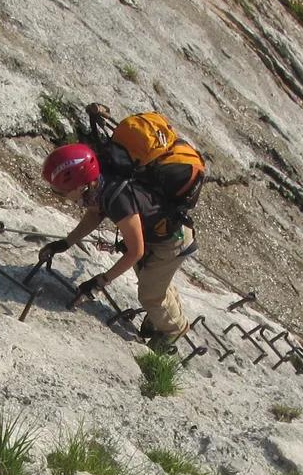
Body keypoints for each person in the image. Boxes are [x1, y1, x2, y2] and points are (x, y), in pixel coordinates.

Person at [36, 107, 205, 354]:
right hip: (157, 234)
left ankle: (173, 329)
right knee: (152, 279)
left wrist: (98, 283)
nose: (60, 197)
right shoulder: (102, 182)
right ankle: (161, 314)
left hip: (170, 242)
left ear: (81, 185)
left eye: (62, 191)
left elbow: (135, 251)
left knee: (149, 294)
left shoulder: (117, 199)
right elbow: (94, 214)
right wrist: (66, 243)